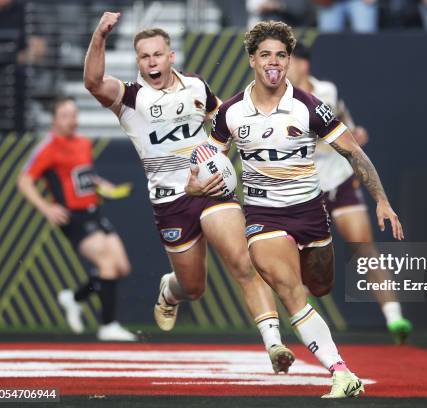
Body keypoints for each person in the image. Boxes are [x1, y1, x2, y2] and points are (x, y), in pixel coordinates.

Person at [83, 13, 294, 373]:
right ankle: (171, 290)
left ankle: (274, 344)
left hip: (210, 189)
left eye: (158, 54)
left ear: (171, 56)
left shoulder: (197, 86)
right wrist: (100, 34)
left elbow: (221, 120)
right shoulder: (130, 98)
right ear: (139, 62)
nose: (152, 61)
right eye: (144, 56)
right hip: (170, 201)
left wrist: (222, 159)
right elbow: (92, 82)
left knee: (243, 262)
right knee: (194, 287)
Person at [208, 21, 404, 398]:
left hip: (311, 212)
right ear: (252, 60)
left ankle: (334, 356)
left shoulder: (310, 106)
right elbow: (210, 160)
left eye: (281, 55)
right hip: (264, 216)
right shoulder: (231, 112)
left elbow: (353, 152)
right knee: (289, 288)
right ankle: (341, 371)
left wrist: (381, 199)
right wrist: (197, 183)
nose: (273, 62)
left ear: (289, 61)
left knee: (320, 285)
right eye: (265, 54)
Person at [287, 42, 412, 343]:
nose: (280, 67)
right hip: (306, 186)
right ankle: (300, 328)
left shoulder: (326, 91)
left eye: (286, 60)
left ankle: (395, 319)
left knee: (363, 247)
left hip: (339, 180)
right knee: (301, 258)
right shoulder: (280, 98)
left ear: (303, 65)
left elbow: (343, 125)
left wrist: (354, 133)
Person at [17, 97, 136, 341]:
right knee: (107, 265)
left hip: (94, 210)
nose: (72, 120)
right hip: (73, 218)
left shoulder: (82, 143)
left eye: (74, 114)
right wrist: (46, 209)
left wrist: (103, 185)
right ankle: (108, 325)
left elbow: (84, 176)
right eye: (65, 115)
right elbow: (24, 180)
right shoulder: (48, 147)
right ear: (54, 119)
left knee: (121, 267)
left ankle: (74, 298)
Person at [314, 0, 379, 33]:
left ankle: (366, 57)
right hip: (332, 3)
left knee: (366, 35)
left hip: (360, 2)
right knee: (327, 37)